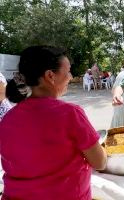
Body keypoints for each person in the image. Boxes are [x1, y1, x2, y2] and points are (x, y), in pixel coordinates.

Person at [0, 46, 107, 200]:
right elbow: (99, 163)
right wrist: (103, 150)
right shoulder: (70, 113)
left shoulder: (7, 119)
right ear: (50, 75)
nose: (70, 77)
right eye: (68, 71)